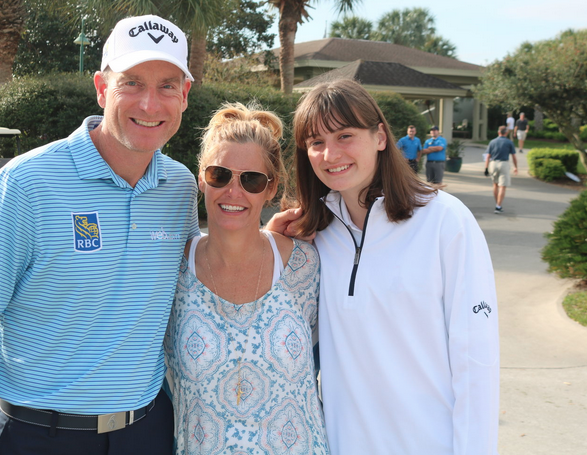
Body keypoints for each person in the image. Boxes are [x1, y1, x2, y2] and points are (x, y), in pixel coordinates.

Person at [0, 15, 198, 455]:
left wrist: (274, 236)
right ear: (101, 88)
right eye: (132, 83)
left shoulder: (180, 187)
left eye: (167, 85)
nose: (151, 104)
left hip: (149, 433)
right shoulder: (27, 182)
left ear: (185, 95)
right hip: (39, 436)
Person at [288, 80, 499, 454]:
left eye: (345, 135)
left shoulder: (446, 222)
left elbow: (476, 362)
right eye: (316, 142)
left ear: (381, 137)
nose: (329, 153)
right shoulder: (315, 236)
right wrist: (272, 244)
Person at [164, 103, 328, 454]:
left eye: (251, 180)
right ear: (200, 178)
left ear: (271, 189)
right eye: (219, 175)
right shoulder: (171, 271)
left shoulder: (305, 266)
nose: (233, 192)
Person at [484, 126, 518, 214]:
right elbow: (513, 156)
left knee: (495, 185)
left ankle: (497, 204)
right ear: (506, 133)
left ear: (498, 132)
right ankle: (498, 206)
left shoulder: (492, 142)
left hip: (493, 163)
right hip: (504, 163)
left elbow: (488, 156)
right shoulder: (509, 142)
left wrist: (486, 168)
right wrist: (515, 167)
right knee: (502, 186)